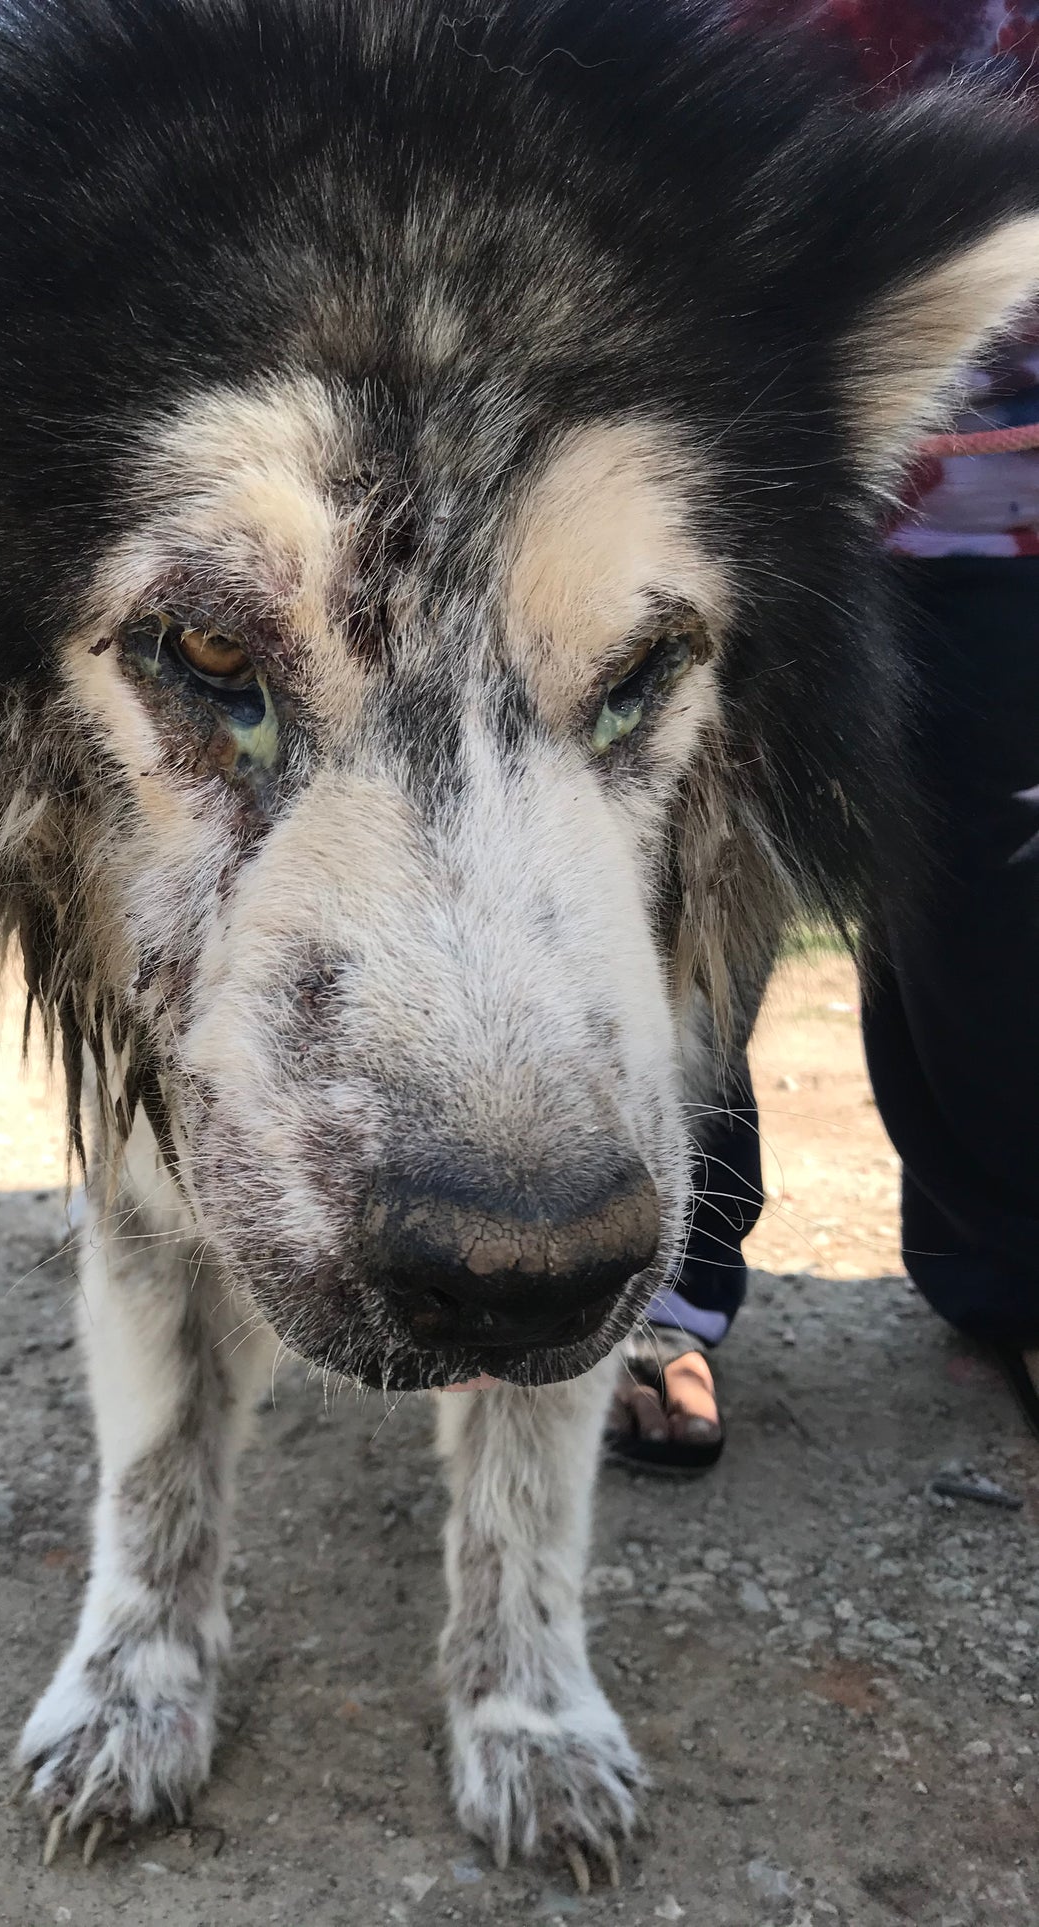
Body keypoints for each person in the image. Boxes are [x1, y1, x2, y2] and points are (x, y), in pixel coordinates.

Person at [607, 0, 1039, 1470]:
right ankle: (667, 1292)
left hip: (1002, 529)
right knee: (682, 904)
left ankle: (1008, 1283)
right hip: (733, 519)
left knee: (993, 916)